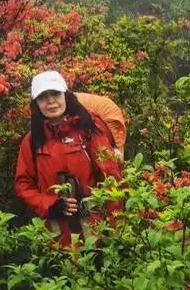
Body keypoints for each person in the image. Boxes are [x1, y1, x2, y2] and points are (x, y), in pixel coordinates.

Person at [14, 70, 123, 247]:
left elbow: (110, 177)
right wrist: (49, 205)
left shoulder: (88, 129)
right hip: (59, 235)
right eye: (43, 97)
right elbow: (23, 185)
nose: (50, 101)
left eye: (55, 94)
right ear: (36, 104)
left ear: (66, 95)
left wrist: (117, 227)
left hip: (97, 230)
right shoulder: (32, 141)